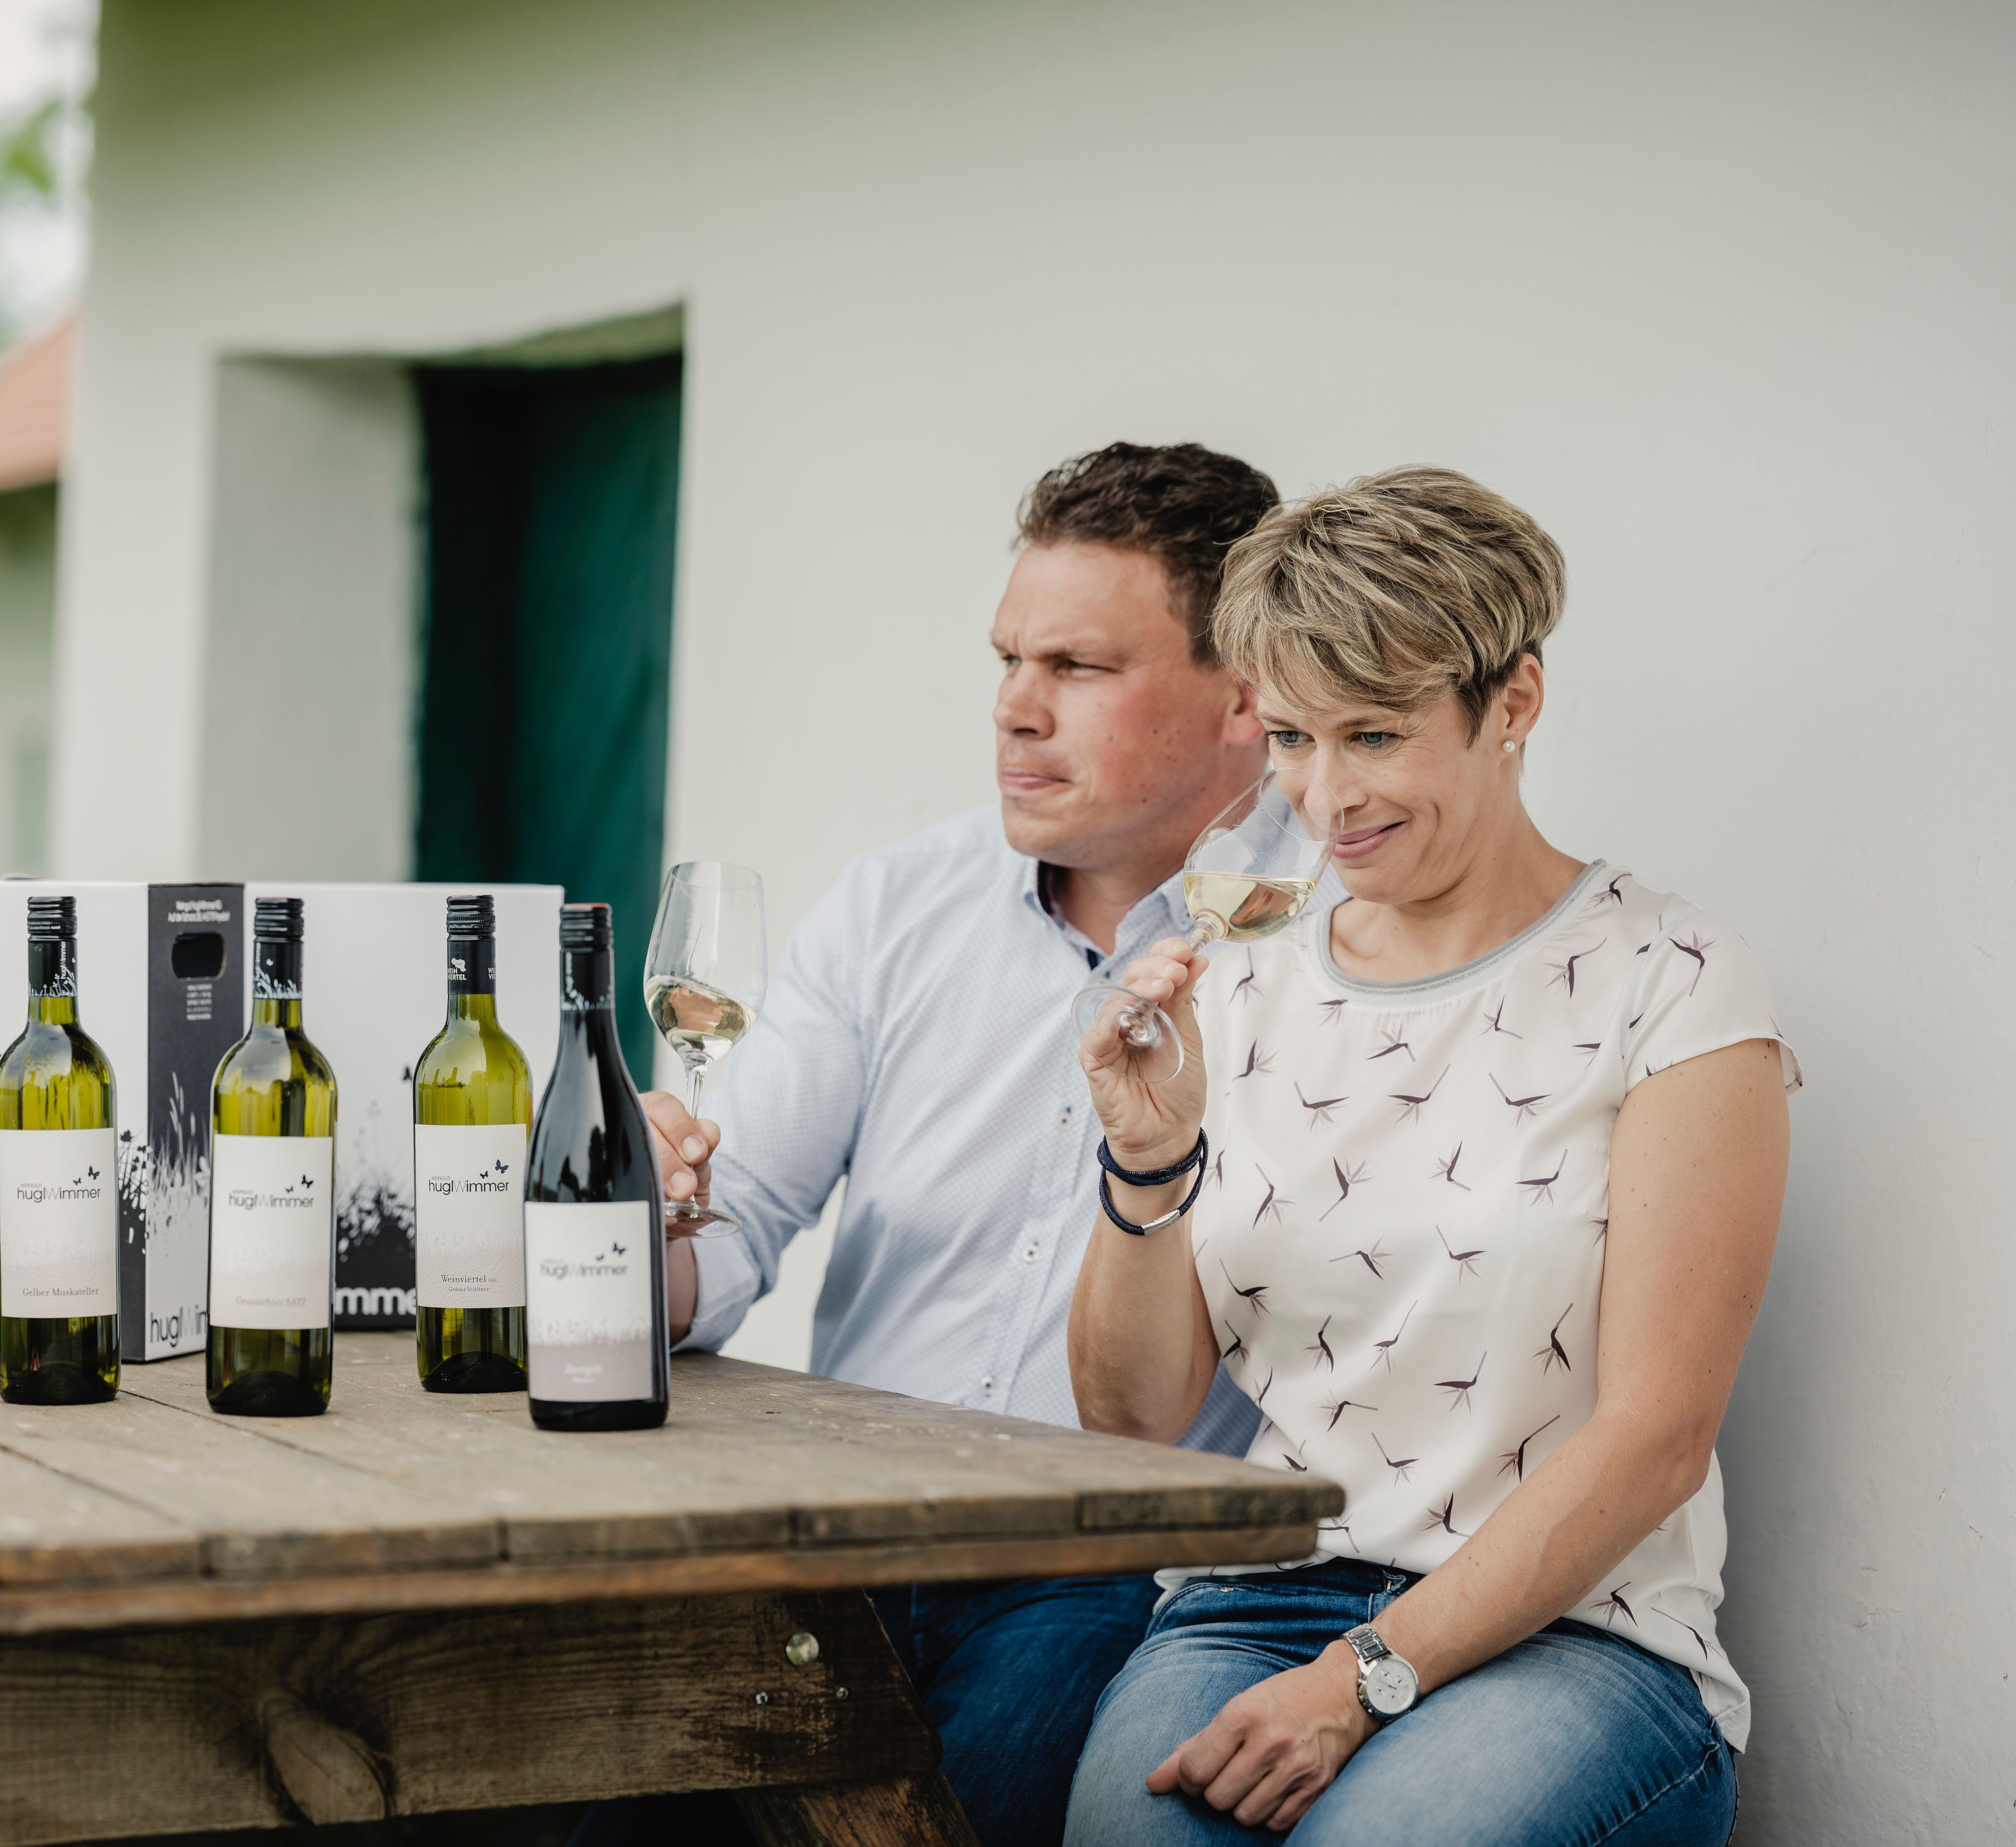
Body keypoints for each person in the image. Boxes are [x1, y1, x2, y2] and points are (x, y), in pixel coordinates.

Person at [1061, 467, 1797, 1844]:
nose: (1323, 797)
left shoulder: (1672, 983)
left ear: (1509, 702)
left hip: (1577, 1637)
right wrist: (1146, 1171)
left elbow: (1654, 1438)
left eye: (1374, 737)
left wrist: (1361, 1680)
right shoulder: (1240, 985)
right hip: (1255, 1607)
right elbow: (1133, 1422)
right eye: (1289, 739)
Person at [575, 442, 1293, 1847]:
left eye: (1077, 668)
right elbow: (734, 1227)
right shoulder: (899, 901)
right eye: (1007, 659)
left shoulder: (1319, 936)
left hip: (1106, 1568)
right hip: (839, 1526)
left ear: (1246, 695)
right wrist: (635, 1224)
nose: (1014, 712)